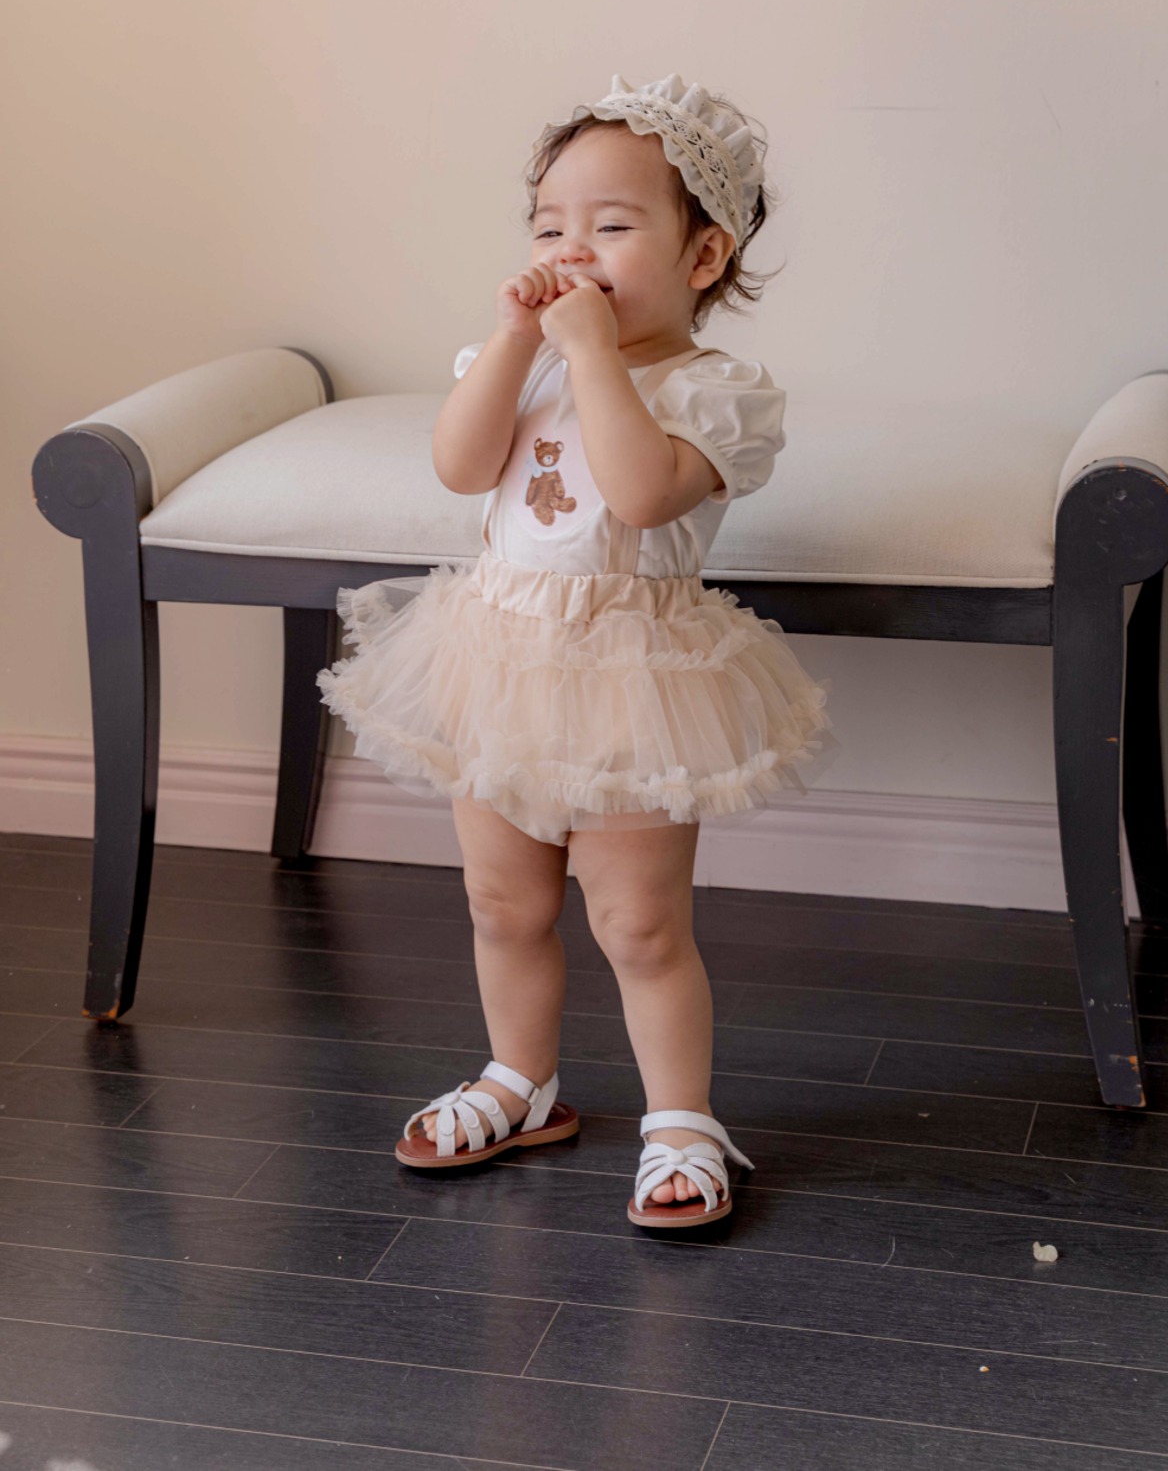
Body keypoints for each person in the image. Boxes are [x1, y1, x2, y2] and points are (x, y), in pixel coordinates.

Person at [316, 72, 835, 1230]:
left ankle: (680, 1121)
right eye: (548, 225)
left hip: (631, 677)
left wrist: (595, 355)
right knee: (500, 902)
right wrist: (517, 342)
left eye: (609, 225)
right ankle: (520, 1080)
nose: (571, 250)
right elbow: (460, 466)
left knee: (637, 923)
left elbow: (641, 493)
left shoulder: (714, 391)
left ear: (702, 256)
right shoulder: (519, 359)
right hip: (495, 658)